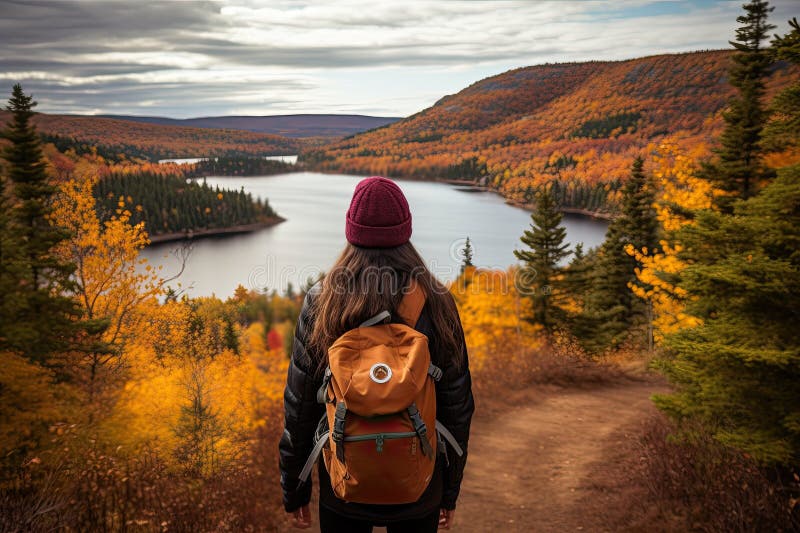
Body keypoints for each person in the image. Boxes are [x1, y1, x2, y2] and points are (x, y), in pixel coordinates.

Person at [279, 176, 475, 532]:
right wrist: (449, 491)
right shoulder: (436, 301)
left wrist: (295, 489)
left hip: (344, 486)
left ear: (351, 230)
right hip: (420, 484)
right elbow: (458, 405)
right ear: (406, 229)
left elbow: (300, 407)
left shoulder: (324, 302)